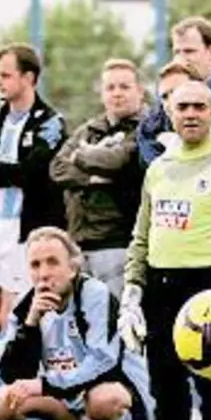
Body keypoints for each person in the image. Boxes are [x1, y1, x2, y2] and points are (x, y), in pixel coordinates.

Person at [116, 80, 211, 420]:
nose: (191, 114)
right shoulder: (159, 168)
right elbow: (142, 234)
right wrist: (133, 288)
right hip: (161, 287)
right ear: (169, 111)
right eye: (183, 106)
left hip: (209, 287)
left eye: (200, 106)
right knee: (166, 389)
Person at [0, 227, 151, 420]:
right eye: (35, 265)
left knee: (104, 398)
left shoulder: (95, 294)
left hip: (116, 400)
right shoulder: (25, 306)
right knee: (4, 402)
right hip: (67, 405)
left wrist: (44, 385)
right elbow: (8, 372)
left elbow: (104, 362)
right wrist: (30, 325)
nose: (44, 273)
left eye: (53, 262)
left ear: (72, 268)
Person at [0, 43, 67, 357]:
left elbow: (33, 173)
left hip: (22, 229)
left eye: (5, 75)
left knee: (10, 314)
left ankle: (8, 373)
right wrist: (1, 169)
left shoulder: (50, 122)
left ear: (28, 77)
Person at [50, 58, 146, 300]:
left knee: (114, 312)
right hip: (79, 242)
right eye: (110, 87)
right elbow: (57, 168)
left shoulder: (145, 129)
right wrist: (91, 177)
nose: (117, 93)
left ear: (140, 91)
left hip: (117, 242)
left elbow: (117, 161)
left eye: (124, 87)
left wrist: (80, 156)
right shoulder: (89, 129)